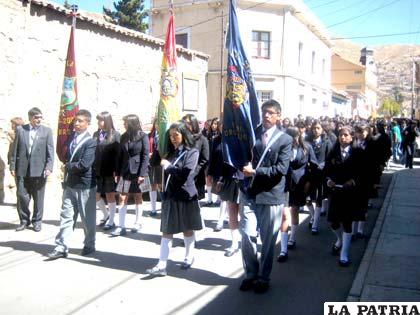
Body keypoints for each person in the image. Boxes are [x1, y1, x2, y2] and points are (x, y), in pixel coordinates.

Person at [239, 99, 292, 294]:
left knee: (268, 241)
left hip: (271, 196)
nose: (266, 116)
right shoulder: (253, 134)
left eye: (270, 113)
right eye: (264, 112)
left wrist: (255, 172)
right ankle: (250, 274)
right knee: (246, 235)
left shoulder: (285, 139)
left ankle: (263, 277)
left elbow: (281, 169)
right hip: (249, 194)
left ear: (278, 115)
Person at [146, 121, 202, 276]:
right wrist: (159, 153)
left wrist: (168, 166)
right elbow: (154, 163)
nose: (173, 138)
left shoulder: (192, 152)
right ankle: (161, 264)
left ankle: (189, 256)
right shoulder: (169, 152)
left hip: (185, 195)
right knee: (167, 230)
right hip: (170, 195)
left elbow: (185, 174)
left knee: (187, 228)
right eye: (170, 136)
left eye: (176, 135)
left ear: (184, 135)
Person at [47, 109, 97, 259]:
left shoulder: (91, 142)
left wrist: (68, 166)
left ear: (88, 123)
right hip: (70, 184)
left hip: (85, 184)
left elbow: (85, 164)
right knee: (66, 215)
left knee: (87, 218)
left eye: (80, 121)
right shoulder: (71, 138)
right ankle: (61, 246)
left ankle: (89, 243)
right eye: (75, 120)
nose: (76, 123)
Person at [277, 126, 318, 262]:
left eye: (295, 136)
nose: (292, 139)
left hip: (300, 184)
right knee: (284, 214)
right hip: (284, 184)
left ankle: (292, 237)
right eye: (290, 136)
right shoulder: (282, 147)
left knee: (294, 211)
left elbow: (314, 166)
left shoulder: (307, 147)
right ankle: (283, 250)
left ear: (299, 135)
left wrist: (309, 182)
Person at [10, 107, 54, 232]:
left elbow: (50, 150)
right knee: (21, 196)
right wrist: (13, 166)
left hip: (39, 170)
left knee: (38, 197)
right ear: (30, 118)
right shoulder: (21, 130)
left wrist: (49, 167)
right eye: (36, 117)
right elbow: (15, 150)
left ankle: (37, 221)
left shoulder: (47, 131)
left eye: (40, 117)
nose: (39, 120)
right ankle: (24, 220)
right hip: (22, 169)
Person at [324, 126, 361, 267]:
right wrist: (328, 180)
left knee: (347, 222)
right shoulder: (333, 153)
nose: (343, 137)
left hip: (350, 193)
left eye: (346, 135)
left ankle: (344, 253)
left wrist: (353, 181)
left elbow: (363, 172)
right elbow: (326, 170)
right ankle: (339, 240)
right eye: (340, 135)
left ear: (351, 137)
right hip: (335, 191)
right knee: (333, 222)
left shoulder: (358, 153)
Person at [112, 114, 149, 235]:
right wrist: (117, 172)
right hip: (125, 171)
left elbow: (145, 155)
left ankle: (138, 222)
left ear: (132, 123)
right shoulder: (123, 136)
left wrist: (142, 174)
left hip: (139, 171)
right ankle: (121, 226)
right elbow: (119, 156)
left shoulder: (143, 136)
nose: (124, 124)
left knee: (138, 196)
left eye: (126, 122)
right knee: (122, 197)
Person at [93, 112, 121, 228]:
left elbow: (118, 154)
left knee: (110, 195)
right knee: (95, 194)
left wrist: (117, 171)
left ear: (107, 121)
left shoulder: (115, 134)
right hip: (97, 169)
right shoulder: (95, 134)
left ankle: (111, 221)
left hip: (110, 170)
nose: (99, 122)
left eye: (101, 120)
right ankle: (106, 215)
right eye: (98, 120)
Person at [148, 119, 161, 217]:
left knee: (162, 185)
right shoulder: (150, 135)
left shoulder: (165, 135)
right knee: (152, 185)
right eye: (156, 123)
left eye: (159, 123)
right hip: (152, 162)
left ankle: (164, 207)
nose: (157, 125)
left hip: (161, 162)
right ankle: (153, 209)